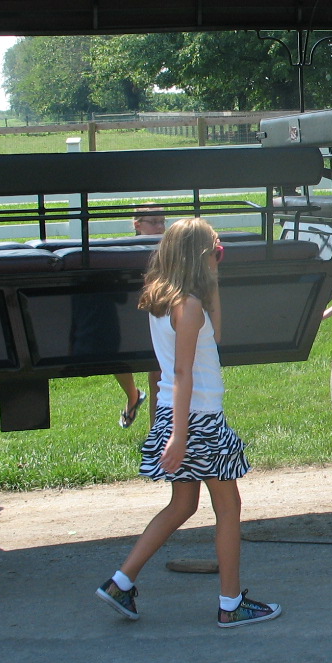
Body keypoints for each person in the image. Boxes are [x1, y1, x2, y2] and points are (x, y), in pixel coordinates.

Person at [95, 217, 280, 628]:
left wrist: (212, 280)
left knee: (182, 504)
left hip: (179, 414)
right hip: (198, 419)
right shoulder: (189, 307)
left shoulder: (168, 300)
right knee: (228, 507)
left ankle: (120, 582)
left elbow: (214, 340)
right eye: (214, 251)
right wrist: (180, 436)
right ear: (200, 256)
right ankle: (231, 605)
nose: (219, 255)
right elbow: (181, 373)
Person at [115, 204, 166, 428]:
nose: (160, 226)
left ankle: (156, 432)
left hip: (156, 311)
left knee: (158, 373)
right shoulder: (124, 250)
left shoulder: (168, 249)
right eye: (153, 222)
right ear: (138, 225)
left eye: (162, 221)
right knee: (116, 361)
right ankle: (133, 396)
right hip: (129, 314)